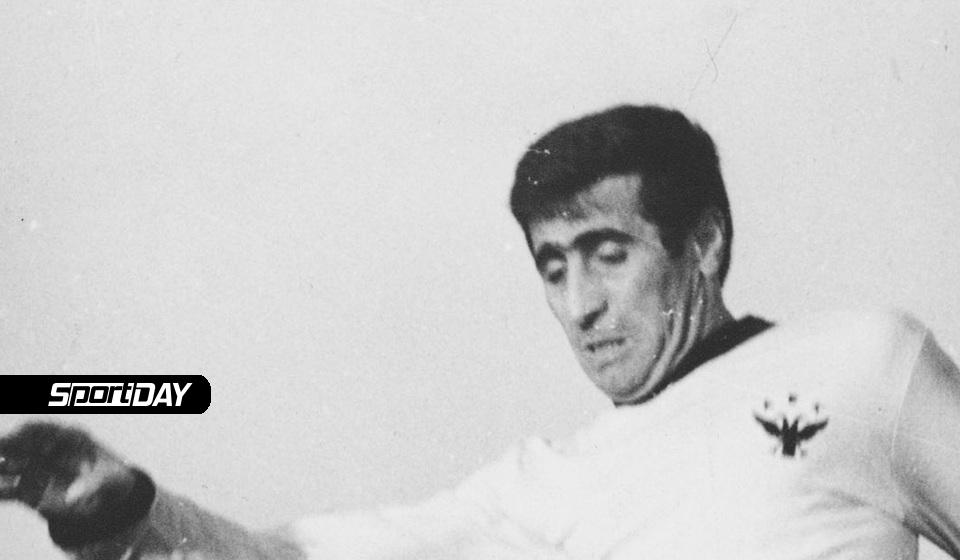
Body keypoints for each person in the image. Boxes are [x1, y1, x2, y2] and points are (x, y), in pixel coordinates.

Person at [2, 104, 959, 559]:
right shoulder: (548, 484)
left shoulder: (860, 363)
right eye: (553, 266)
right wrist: (129, 514)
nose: (579, 306)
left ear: (702, 242)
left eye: (608, 254)